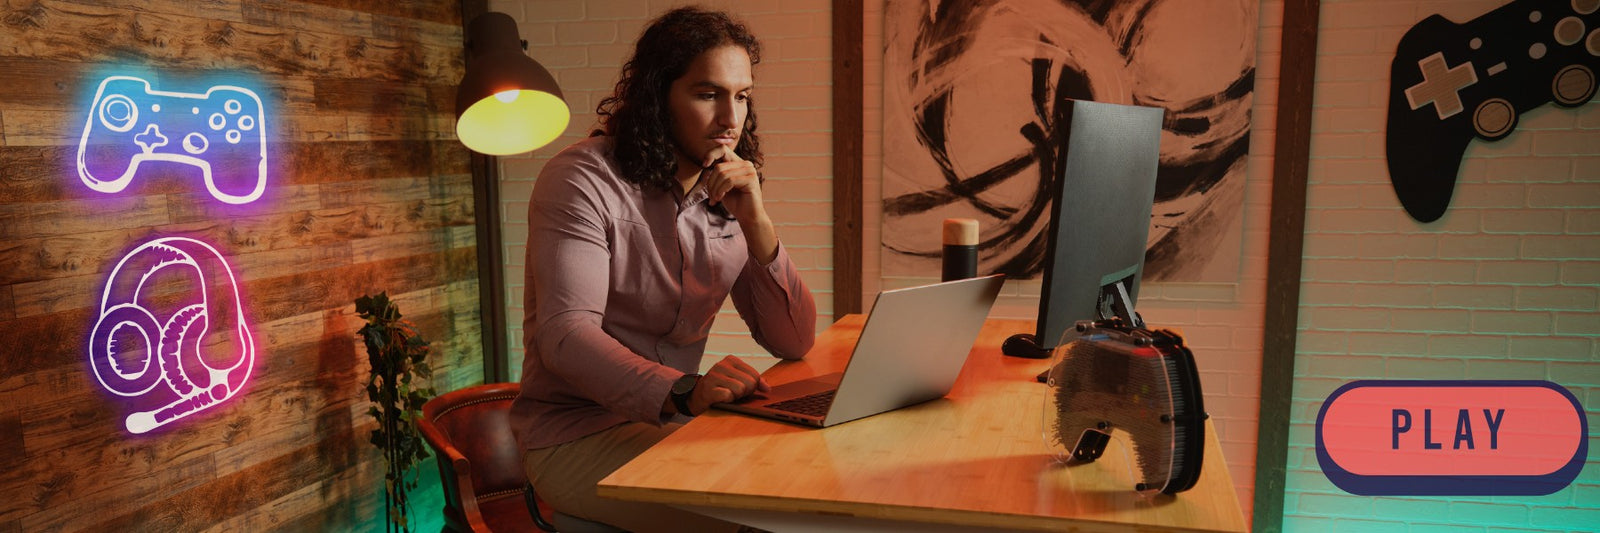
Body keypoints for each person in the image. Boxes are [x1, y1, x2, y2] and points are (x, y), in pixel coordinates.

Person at [510, 7, 817, 532]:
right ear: (658, 97)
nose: (731, 119)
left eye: (741, 96)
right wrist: (682, 390)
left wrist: (757, 221)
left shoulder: (728, 192)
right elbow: (565, 335)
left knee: (808, 482)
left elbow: (793, 341)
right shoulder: (581, 180)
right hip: (575, 436)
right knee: (765, 516)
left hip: (675, 426)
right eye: (707, 94)